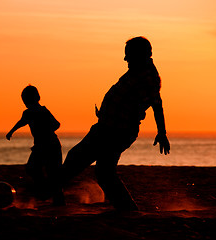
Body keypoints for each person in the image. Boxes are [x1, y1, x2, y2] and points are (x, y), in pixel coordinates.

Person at [60, 36, 170, 210]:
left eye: (128, 55)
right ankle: (127, 209)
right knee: (99, 170)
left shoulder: (148, 76)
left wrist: (162, 132)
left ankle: (47, 194)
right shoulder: (138, 71)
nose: (125, 59)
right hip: (109, 127)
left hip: (115, 131)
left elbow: (157, 104)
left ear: (139, 54)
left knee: (88, 164)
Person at [6, 85, 65, 206]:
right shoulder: (27, 113)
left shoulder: (43, 111)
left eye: (27, 99)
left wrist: (46, 129)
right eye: (24, 100)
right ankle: (46, 192)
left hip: (51, 145)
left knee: (52, 172)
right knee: (33, 169)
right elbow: (21, 122)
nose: (26, 102)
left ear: (37, 98)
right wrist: (11, 131)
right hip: (40, 146)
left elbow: (57, 124)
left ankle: (57, 200)